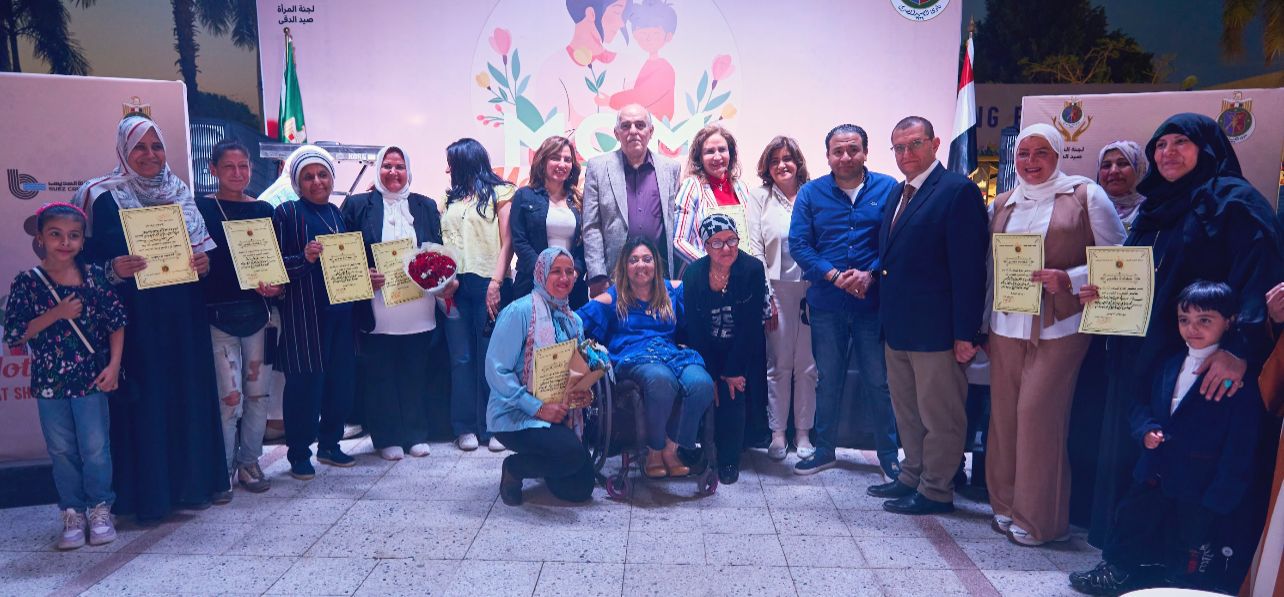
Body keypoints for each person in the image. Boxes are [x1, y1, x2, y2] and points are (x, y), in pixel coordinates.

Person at [1084, 114, 1284, 550]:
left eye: (1180, 142)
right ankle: (1122, 550)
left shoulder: (1235, 202)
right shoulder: (1155, 205)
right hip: (1141, 355)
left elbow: (1260, 280)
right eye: (1160, 145)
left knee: (1183, 462)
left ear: (1207, 148)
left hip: (1200, 362)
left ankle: (1170, 561)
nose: (1167, 152)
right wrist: (1103, 293)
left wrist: (1239, 350)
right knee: (1137, 450)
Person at [75, 114, 227, 521]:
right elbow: (75, 264)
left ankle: (192, 487)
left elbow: (203, 254)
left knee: (185, 395)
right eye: (139, 147)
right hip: (134, 322)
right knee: (146, 402)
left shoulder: (179, 190)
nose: (149, 155)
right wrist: (112, 270)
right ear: (123, 150)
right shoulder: (98, 195)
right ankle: (148, 498)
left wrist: (203, 264)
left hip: (183, 317)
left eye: (156, 146)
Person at [1070, 281, 1266, 595]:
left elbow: (1240, 443)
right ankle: (1117, 571)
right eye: (1184, 319)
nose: (1192, 328)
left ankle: (1180, 585)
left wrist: (1223, 493)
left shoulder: (1234, 381)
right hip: (1154, 471)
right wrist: (1145, 429)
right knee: (1131, 523)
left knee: (1189, 542)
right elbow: (1140, 404)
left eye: (1205, 320)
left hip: (1199, 481)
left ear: (1229, 321)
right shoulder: (1168, 363)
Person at [986, 123, 1126, 546]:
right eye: (1023, 153)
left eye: (1041, 152)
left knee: (1039, 418)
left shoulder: (1084, 196)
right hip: (1005, 324)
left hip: (1059, 326)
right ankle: (1004, 506)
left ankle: (1039, 520)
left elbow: (1120, 259)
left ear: (1058, 154)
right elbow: (990, 267)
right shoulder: (1004, 202)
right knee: (1004, 419)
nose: (1030, 161)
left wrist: (1070, 277)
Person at [871, 116, 988, 515]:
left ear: (935, 144)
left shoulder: (957, 191)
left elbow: (969, 269)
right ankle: (912, 475)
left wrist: (966, 332)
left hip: (938, 331)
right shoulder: (899, 191)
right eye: (899, 147)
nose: (906, 153)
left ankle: (936, 490)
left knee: (941, 416)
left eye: (915, 144)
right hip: (898, 328)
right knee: (908, 412)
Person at [5, 203, 125, 549]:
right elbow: (14, 334)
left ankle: (100, 509)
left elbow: (116, 323)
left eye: (73, 236)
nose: (65, 242)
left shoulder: (94, 277)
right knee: (61, 450)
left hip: (91, 379)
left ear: (82, 241)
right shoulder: (28, 283)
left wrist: (114, 365)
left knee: (96, 448)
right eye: (55, 234)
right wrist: (56, 313)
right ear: (40, 238)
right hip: (49, 383)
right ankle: (72, 512)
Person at [787, 124, 899, 477]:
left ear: (865, 152)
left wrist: (870, 274)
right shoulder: (811, 193)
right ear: (828, 156)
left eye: (853, 150)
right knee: (828, 380)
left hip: (872, 304)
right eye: (838, 151)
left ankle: (889, 457)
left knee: (878, 382)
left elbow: (897, 240)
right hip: (826, 304)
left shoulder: (889, 188)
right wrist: (835, 276)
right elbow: (799, 244)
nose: (846, 157)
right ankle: (824, 451)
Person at [274, 145, 384, 480]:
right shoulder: (287, 213)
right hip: (305, 316)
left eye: (322, 175)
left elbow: (347, 264)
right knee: (305, 387)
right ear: (297, 182)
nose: (317, 182)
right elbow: (275, 268)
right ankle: (298, 453)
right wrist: (304, 258)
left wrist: (366, 277)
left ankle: (330, 445)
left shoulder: (337, 214)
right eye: (308, 177)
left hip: (342, 315)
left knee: (341, 383)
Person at [578, 237, 714, 477]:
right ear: (625, 266)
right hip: (633, 355)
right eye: (634, 260)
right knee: (661, 380)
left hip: (671, 353)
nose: (641, 265)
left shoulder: (672, 290)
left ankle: (672, 448)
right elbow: (576, 320)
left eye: (647, 259)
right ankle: (654, 450)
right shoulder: (613, 297)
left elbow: (702, 284)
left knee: (702, 383)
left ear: (656, 264)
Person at [340, 145, 443, 461]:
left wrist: (435, 272)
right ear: (378, 170)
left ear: (408, 171)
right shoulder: (358, 205)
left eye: (400, 167)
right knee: (380, 375)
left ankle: (416, 434)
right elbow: (344, 253)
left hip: (418, 306)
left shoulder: (425, 205)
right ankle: (386, 438)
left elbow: (437, 248)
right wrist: (363, 276)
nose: (394, 173)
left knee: (415, 372)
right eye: (387, 166)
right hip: (378, 307)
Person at [196, 140, 281, 499]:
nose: (237, 173)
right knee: (229, 398)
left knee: (258, 394)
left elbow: (275, 261)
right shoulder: (199, 208)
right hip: (217, 317)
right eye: (228, 167)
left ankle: (249, 461)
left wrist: (276, 285)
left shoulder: (264, 210)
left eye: (243, 166)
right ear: (213, 170)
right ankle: (223, 469)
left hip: (258, 316)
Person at [487, 247, 595, 506]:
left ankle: (547, 459)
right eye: (556, 271)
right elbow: (496, 370)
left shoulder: (573, 320)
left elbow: (575, 371)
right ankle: (514, 468)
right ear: (541, 273)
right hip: (516, 413)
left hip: (557, 411)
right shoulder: (519, 312)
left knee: (580, 488)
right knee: (570, 454)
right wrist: (537, 408)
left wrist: (582, 392)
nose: (564, 278)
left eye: (569, 271)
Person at [441, 138, 516, 453]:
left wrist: (496, 283)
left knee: (490, 357)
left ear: (466, 162)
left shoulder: (502, 192)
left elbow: (508, 241)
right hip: (454, 286)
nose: (448, 170)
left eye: (451, 163)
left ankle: (493, 426)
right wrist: (442, 281)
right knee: (460, 358)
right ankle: (464, 427)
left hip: (488, 282)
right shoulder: (449, 199)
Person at [682, 214, 767, 484]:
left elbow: (751, 326)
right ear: (706, 246)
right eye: (717, 242)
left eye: (731, 240)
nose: (726, 248)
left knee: (733, 391)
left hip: (741, 347)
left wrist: (731, 371)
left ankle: (730, 460)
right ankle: (699, 451)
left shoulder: (752, 269)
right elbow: (694, 328)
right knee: (706, 388)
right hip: (706, 347)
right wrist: (712, 372)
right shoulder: (693, 274)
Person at [747, 135, 817, 461]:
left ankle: (803, 433)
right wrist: (766, 297)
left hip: (811, 289)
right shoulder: (759, 197)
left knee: (808, 366)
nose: (781, 165)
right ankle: (777, 434)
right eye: (774, 161)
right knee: (778, 365)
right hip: (775, 289)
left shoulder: (813, 193)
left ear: (797, 162)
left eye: (787, 158)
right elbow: (755, 249)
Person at [582, 103, 683, 292]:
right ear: (616, 133)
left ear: (651, 132)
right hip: (614, 277)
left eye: (640, 125)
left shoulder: (671, 169)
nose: (633, 131)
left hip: (660, 277)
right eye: (626, 126)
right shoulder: (598, 168)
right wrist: (597, 275)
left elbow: (676, 224)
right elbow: (591, 226)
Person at [510, 136, 587, 307]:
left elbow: (584, 244)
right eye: (555, 158)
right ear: (542, 161)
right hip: (531, 285)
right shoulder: (524, 196)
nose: (562, 164)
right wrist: (544, 273)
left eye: (567, 160)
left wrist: (575, 271)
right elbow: (520, 241)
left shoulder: (579, 201)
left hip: (571, 288)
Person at [672, 123, 753, 268]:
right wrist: (713, 266)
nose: (717, 157)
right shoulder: (692, 186)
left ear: (730, 153)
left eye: (722, 149)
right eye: (709, 151)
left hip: (742, 273)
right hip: (706, 275)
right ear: (700, 158)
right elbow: (678, 241)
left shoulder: (741, 188)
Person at [597, 0, 676, 121]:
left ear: (668, 36)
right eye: (642, 34)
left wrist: (611, 100)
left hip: (656, 126)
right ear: (635, 35)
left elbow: (644, 95)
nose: (648, 39)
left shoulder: (664, 68)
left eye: (655, 34)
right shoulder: (645, 64)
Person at [1097, 140, 1149, 232]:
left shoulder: (1153, 210)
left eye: (1122, 164)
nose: (1114, 171)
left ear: (1139, 169)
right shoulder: (1090, 209)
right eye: (1106, 165)